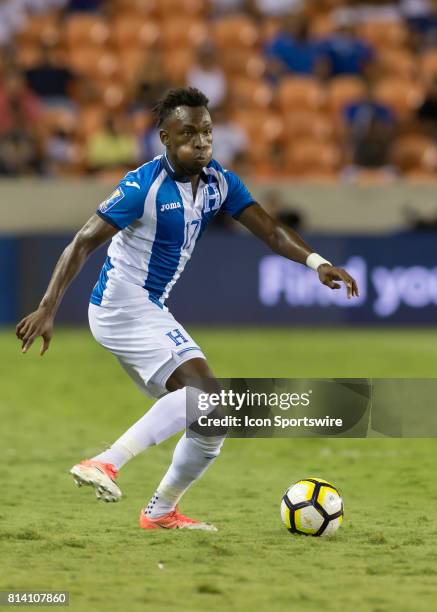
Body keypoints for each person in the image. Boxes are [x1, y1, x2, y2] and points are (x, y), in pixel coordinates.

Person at [16, 87, 359, 531]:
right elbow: (83, 241)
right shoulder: (143, 186)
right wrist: (48, 308)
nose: (201, 141)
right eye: (188, 133)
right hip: (121, 306)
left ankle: (161, 512)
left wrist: (318, 262)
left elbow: (271, 231)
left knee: (213, 419)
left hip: (149, 306)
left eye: (207, 131)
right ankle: (106, 462)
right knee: (207, 397)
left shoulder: (218, 182)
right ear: (164, 137)